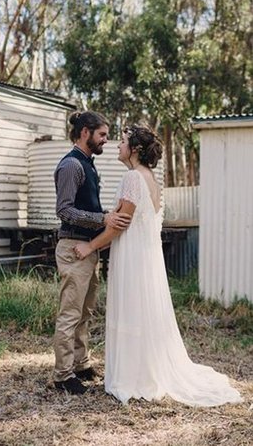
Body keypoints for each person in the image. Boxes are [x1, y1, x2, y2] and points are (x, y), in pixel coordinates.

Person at [74, 125, 243, 406]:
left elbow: (120, 224)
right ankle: (144, 369)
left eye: (124, 141)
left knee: (132, 310)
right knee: (142, 311)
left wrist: (89, 246)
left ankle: (135, 376)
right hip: (146, 257)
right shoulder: (151, 179)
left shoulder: (132, 178)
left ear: (135, 150)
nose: (118, 145)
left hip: (133, 257)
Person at [53, 110, 131, 395]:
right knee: (70, 313)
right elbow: (64, 210)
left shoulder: (88, 164)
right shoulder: (71, 165)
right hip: (73, 248)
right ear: (85, 132)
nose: (106, 141)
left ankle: (81, 363)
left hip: (87, 250)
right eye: (102, 135)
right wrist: (103, 220)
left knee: (85, 312)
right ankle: (62, 375)